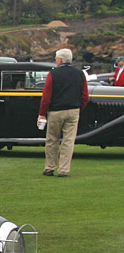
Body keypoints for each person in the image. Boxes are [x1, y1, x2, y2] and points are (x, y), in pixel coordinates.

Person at [38, 48, 90, 177]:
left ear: (60, 60)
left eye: (56, 59)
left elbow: (46, 97)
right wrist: (78, 108)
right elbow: (85, 96)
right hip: (73, 110)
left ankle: (50, 167)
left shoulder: (53, 74)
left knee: (52, 140)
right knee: (68, 141)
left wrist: (42, 113)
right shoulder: (79, 74)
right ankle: (64, 169)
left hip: (56, 111)